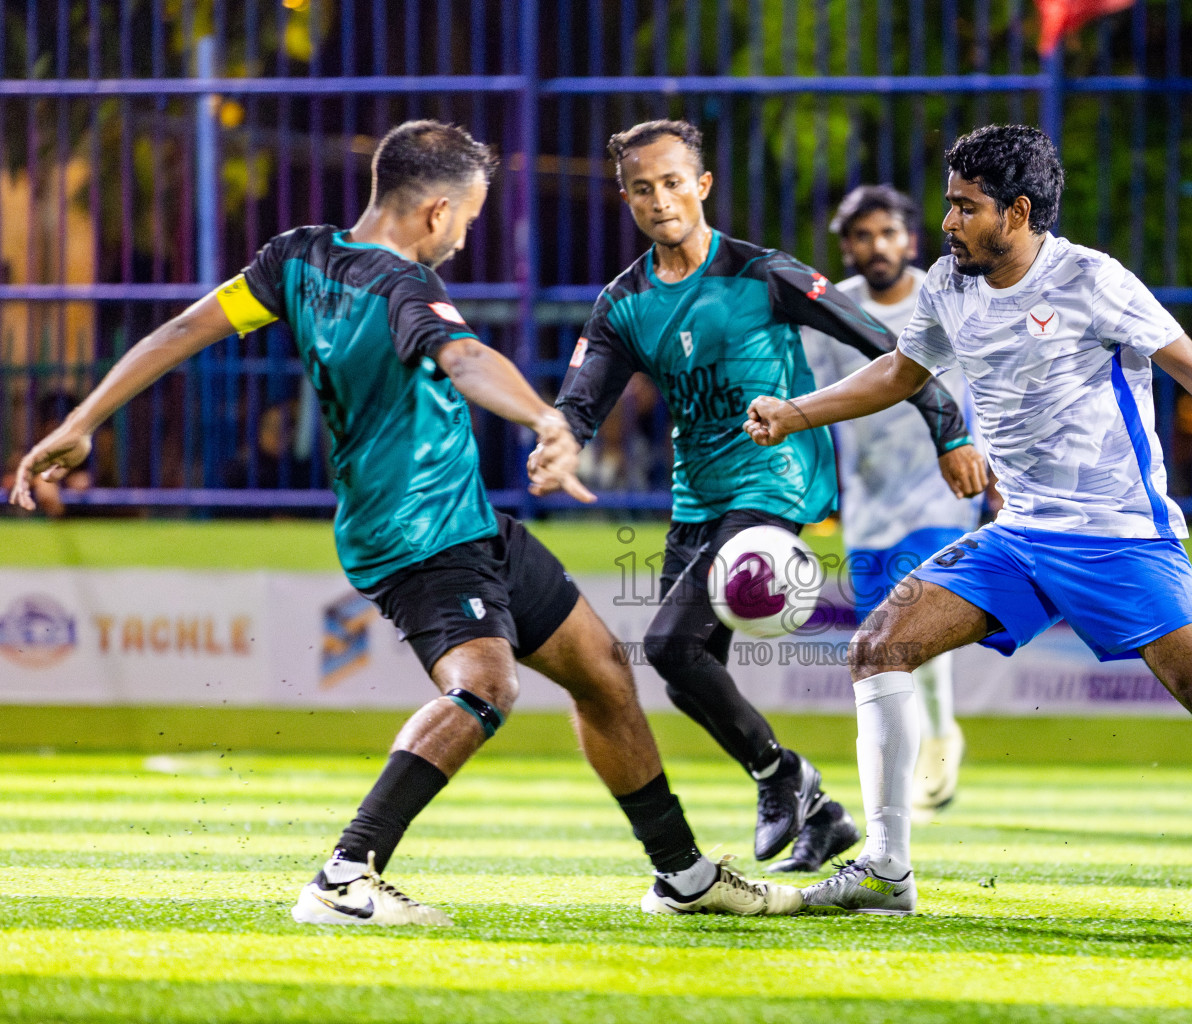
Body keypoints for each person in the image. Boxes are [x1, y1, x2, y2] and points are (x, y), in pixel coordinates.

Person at [9, 119, 800, 923]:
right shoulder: (406, 289)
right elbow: (465, 358)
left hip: (468, 523)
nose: (464, 238)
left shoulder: (297, 256)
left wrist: (84, 420)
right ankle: (346, 875)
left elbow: (182, 329)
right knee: (487, 684)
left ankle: (683, 876)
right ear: (434, 212)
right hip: (416, 536)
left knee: (601, 670)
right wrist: (544, 419)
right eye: (468, 219)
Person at [745, 124, 1192, 924]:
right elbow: (900, 372)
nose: (946, 224)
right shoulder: (949, 287)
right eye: (947, 205)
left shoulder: (1092, 280)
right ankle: (886, 869)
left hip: (1118, 534)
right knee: (879, 647)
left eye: (964, 207)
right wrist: (797, 413)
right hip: (1019, 536)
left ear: (1016, 213)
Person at [537, 120, 988, 873]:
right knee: (686, 673)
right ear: (625, 198)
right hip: (697, 498)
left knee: (666, 646)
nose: (660, 200)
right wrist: (559, 443)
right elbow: (582, 401)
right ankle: (819, 811)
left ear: (702, 185)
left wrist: (949, 429)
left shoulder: (764, 273)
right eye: (642, 188)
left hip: (776, 483)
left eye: (674, 182)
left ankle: (784, 779)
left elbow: (889, 349)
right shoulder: (622, 303)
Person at [799, 185, 978, 812]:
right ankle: (930, 736)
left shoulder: (948, 300)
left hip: (942, 494)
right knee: (885, 639)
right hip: (867, 503)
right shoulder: (833, 311)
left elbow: (983, 391)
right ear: (847, 246)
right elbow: (816, 400)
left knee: (914, 618)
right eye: (863, 236)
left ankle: (935, 742)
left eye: (889, 233)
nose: (878, 246)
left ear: (910, 239)